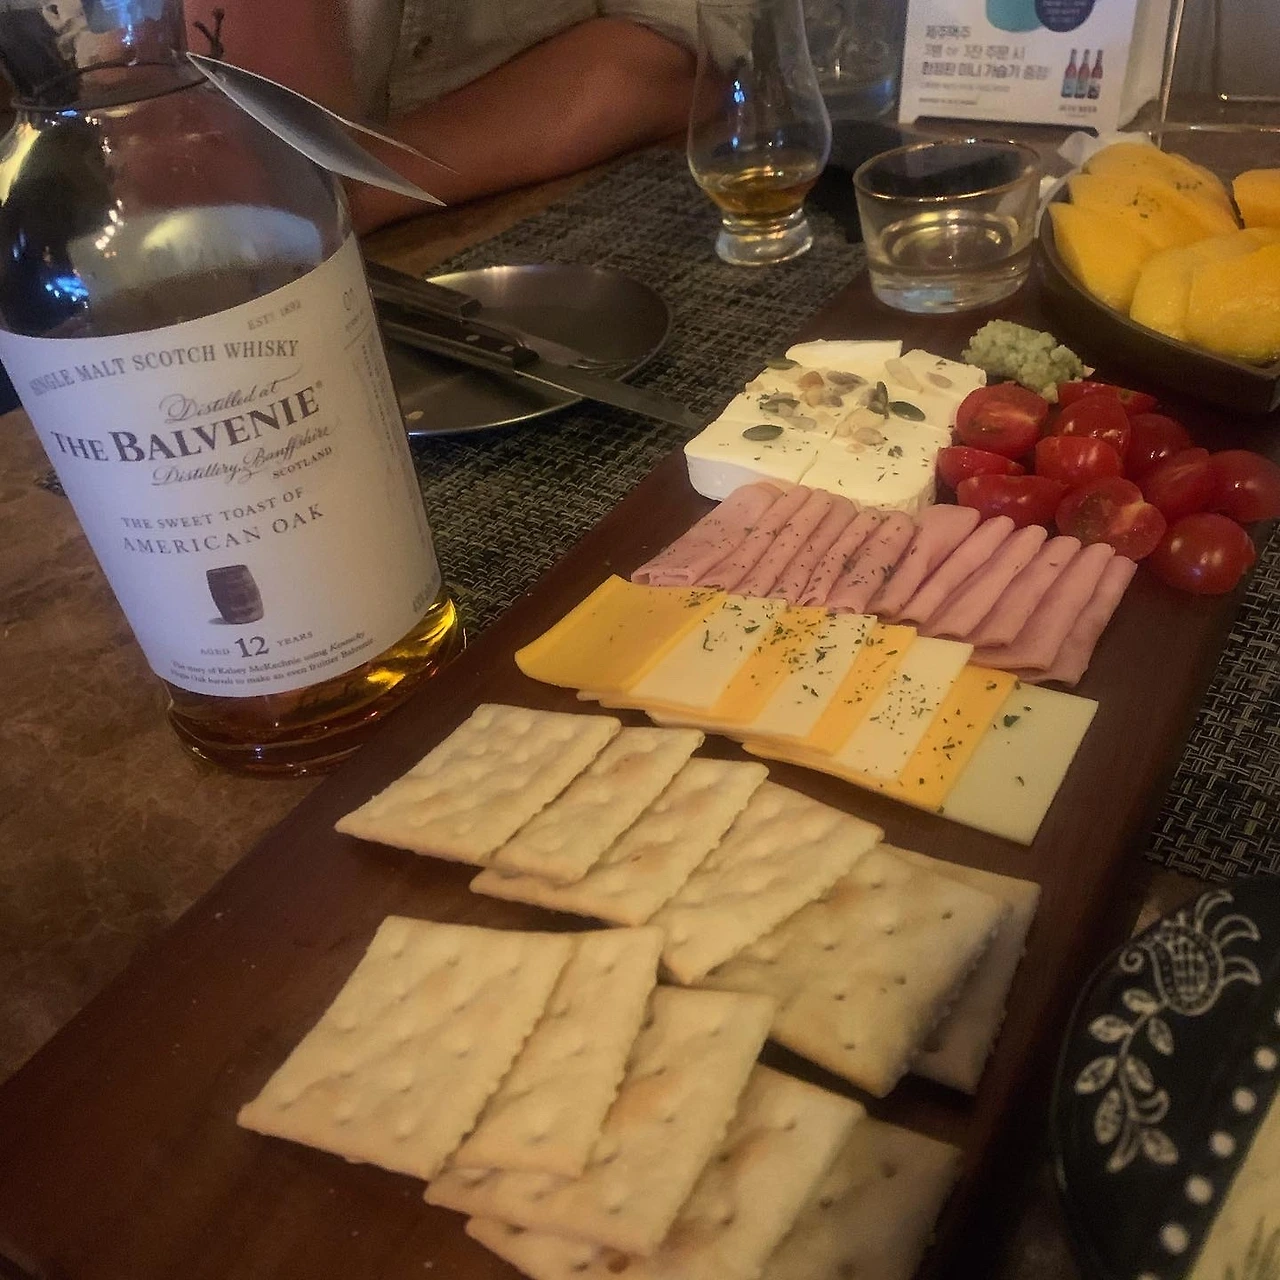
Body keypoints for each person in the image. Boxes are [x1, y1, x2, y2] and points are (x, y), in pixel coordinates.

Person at [188, 2, 699, 231]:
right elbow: (238, 189)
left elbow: (690, 59)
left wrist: (355, 190)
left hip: (557, 217)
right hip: (205, 327)